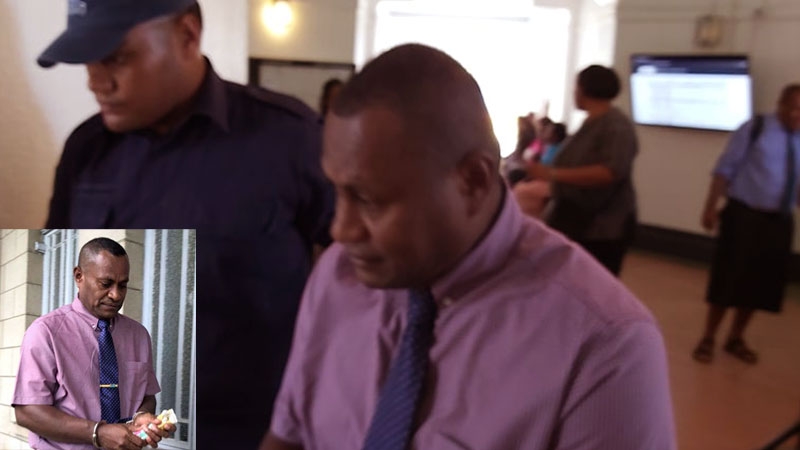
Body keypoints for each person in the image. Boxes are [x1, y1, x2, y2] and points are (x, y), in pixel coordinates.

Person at [261, 44, 675, 450]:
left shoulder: (603, 347)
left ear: (473, 181)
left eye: (369, 200)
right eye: (337, 192)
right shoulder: (338, 276)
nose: (340, 229)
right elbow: (290, 432)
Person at [38, 1, 334, 447]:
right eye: (88, 61)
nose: (96, 81)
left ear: (187, 35)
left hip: (266, 432)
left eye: (116, 57)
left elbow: (361, 279)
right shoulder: (86, 151)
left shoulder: (292, 138)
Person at [13, 238, 175, 450]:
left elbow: (146, 395)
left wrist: (141, 416)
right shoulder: (46, 332)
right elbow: (27, 411)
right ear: (79, 276)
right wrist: (97, 433)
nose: (116, 295)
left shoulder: (139, 335)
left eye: (123, 285)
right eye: (105, 284)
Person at [692, 84, 800, 364]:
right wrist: (710, 207)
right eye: (792, 108)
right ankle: (708, 337)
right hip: (743, 215)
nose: (796, 115)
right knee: (728, 278)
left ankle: (735, 337)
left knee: (761, 284)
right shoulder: (756, 128)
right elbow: (724, 169)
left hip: (779, 220)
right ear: (780, 104)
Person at [528, 65, 638, 276]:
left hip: (601, 226)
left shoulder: (616, 126)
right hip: (577, 220)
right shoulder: (592, 122)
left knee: (593, 282)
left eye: (576, 87)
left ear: (585, 89)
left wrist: (553, 174)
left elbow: (609, 172)